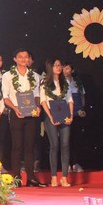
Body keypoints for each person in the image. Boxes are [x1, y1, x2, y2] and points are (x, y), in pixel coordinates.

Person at [2, 49, 45, 187]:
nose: (23, 59)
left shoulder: (35, 75)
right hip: (17, 113)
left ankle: (31, 177)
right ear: (15, 59)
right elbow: (5, 97)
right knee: (17, 146)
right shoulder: (8, 76)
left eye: (26, 57)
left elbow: (37, 94)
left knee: (30, 146)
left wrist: (37, 106)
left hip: (31, 114)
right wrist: (15, 108)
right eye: (20, 57)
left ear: (29, 59)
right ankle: (16, 178)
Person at [40, 58, 74, 187]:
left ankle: (64, 177)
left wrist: (71, 115)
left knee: (65, 145)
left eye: (60, 65)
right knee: (54, 145)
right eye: (55, 65)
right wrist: (50, 116)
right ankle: (54, 176)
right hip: (51, 116)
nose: (58, 67)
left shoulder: (65, 82)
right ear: (50, 67)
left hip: (64, 115)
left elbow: (69, 99)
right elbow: (43, 101)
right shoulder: (44, 82)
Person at [63, 61, 85, 172]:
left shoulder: (77, 83)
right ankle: (67, 164)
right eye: (63, 68)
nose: (65, 70)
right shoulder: (60, 82)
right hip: (64, 114)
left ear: (72, 70)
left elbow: (82, 97)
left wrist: (82, 109)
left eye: (67, 68)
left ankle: (76, 163)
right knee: (65, 140)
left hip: (76, 114)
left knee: (76, 139)